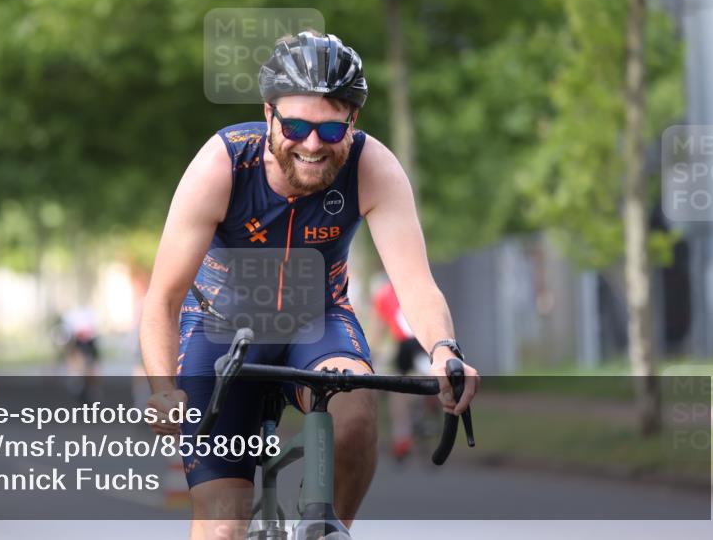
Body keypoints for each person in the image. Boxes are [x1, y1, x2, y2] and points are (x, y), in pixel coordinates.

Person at [140, 31, 480, 539]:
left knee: (357, 407)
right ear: (269, 112)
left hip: (317, 323)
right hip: (220, 334)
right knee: (222, 526)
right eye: (296, 126)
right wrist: (163, 389)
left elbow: (416, 283)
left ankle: (330, 528)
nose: (313, 144)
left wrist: (444, 349)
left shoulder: (373, 167)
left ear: (353, 121)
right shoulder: (222, 165)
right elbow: (162, 300)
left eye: (330, 128)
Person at [371, 277, 431, 459]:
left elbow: (378, 331)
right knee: (429, 377)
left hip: (406, 344)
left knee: (397, 389)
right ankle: (425, 405)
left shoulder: (383, 294)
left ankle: (402, 436)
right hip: (425, 341)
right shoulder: (417, 284)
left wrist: (371, 355)